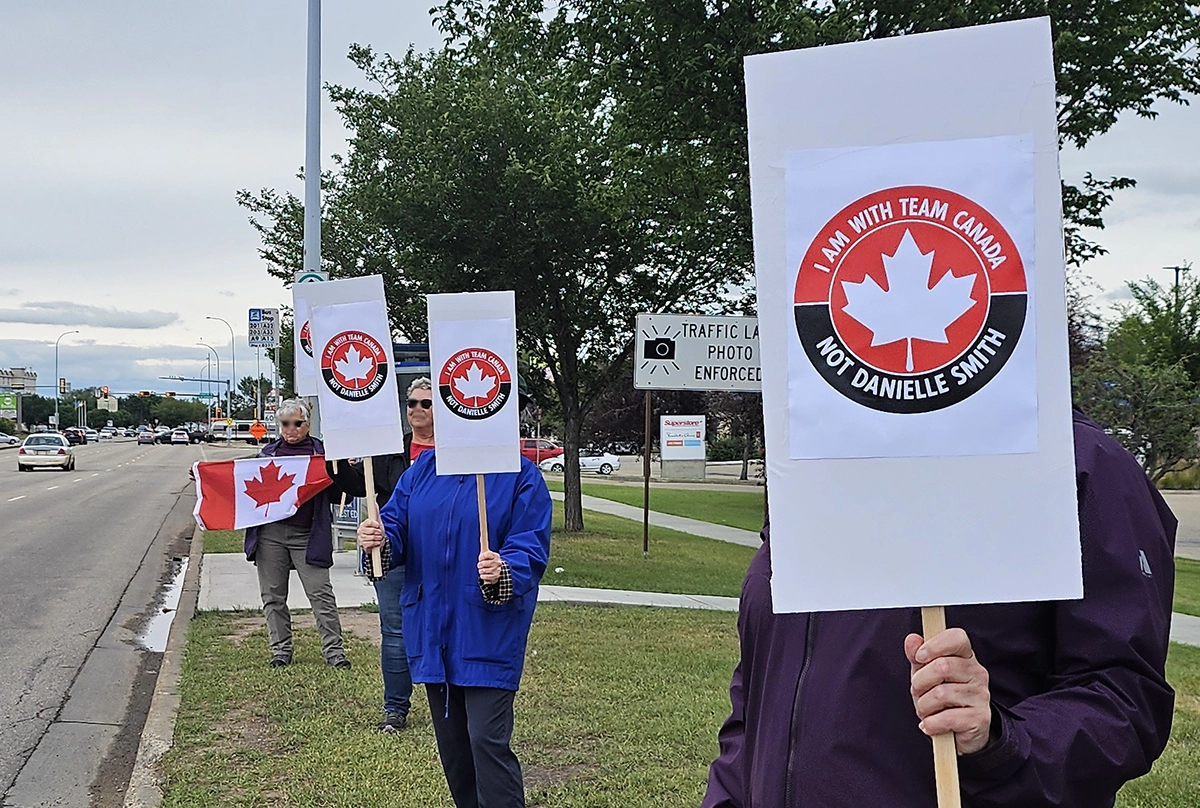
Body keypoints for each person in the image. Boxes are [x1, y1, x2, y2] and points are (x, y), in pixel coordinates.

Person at [702, 409, 1177, 807]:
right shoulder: (817, 455)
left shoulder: (1076, 464)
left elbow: (1125, 699)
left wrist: (999, 740)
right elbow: (760, 687)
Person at [357, 445, 552, 808]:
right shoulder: (423, 470)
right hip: (433, 631)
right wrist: (378, 539)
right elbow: (396, 526)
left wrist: (504, 568)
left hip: (488, 632)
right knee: (454, 748)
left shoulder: (522, 475)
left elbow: (530, 545)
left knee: (485, 741)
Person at [327, 377, 437, 732]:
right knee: (395, 631)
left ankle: (451, 705)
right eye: (412, 403)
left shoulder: (457, 454)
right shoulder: (390, 451)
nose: (417, 409)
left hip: (442, 554)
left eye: (426, 403)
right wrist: (339, 457)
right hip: (394, 552)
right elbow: (355, 483)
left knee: (445, 628)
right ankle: (395, 708)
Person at [243, 399, 350, 669]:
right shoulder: (267, 455)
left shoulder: (323, 455)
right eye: (285, 424)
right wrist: (204, 479)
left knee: (321, 593)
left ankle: (334, 652)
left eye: (297, 423)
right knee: (273, 595)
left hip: (309, 535)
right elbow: (239, 486)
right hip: (271, 534)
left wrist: (344, 471)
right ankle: (280, 650)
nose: (291, 428)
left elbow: (342, 497)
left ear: (307, 424)